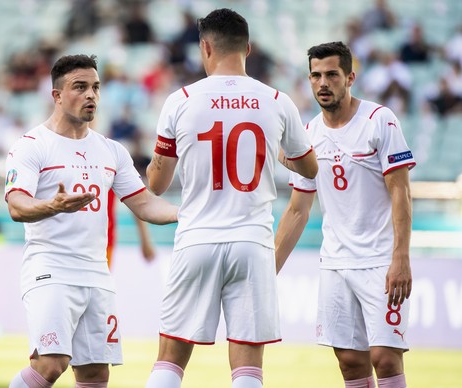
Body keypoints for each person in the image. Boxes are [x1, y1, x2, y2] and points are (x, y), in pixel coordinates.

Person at [144, 8, 318, 388]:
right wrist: (277, 152)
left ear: (205, 47)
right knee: (248, 365)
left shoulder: (181, 100)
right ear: (249, 48)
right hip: (252, 242)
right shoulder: (276, 99)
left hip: (197, 237)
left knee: (171, 358)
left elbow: (156, 184)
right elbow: (310, 169)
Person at [4, 54, 178, 388]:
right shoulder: (31, 146)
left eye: (96, 88)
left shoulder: (111, 151)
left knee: (96, 371)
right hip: (50, 267)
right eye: (80, 87)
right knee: (51, 364)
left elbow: (144, 204)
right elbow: (17, 205)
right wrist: (52, 205)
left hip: (97, 273)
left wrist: (183, 214)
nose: (91, 95)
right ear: (56, 95)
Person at [275, 42, 415, 388]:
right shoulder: (308, 135)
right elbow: (297, 209)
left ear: (350, 77)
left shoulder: (379, 120)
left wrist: (400, 257)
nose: (323, 83)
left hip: (380, 260)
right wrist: (269, 269)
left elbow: (401, 190)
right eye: (316, 75)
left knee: (384, 356)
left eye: (332, 75)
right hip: (335, 263)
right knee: (350, 363)